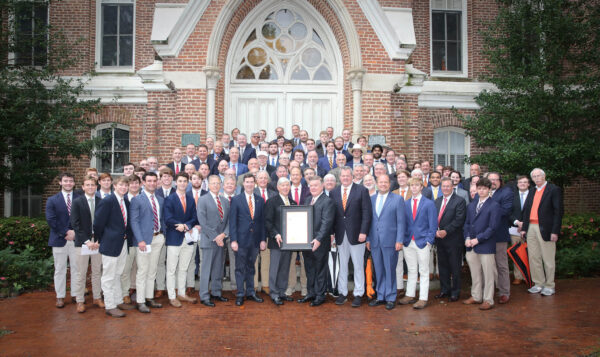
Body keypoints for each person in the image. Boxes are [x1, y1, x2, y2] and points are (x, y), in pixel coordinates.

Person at [331, 167, 372, 307]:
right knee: (342, 265)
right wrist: (332, 233)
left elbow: (367, 213)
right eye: (343, 176)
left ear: (352, 176)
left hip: (357, 235)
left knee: (358, 265)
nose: (345, 178)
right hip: (340, 235)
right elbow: (333, 215)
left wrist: (364, 232)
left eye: (348, 176)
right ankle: (342, 293)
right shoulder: (334, 192)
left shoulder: (362, 190)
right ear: (340, 177)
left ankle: (358, 293)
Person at [95, 176, 135, 317]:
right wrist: (101, 239)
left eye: (126, 185)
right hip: (110, 243)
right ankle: (110, 305)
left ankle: (118, 300)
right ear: (115, 185)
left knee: (118, 272)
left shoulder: (126, 202)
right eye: (121, 185)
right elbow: (98, 223)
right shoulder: (108, 201)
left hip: (123, 243)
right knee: (108, 276)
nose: (124, 188)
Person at [521, 168, 563, 296]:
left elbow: (558, 211)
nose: (537, 178)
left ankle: (549, 285)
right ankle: (538, 283)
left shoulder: (553, 189)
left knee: (548, 258)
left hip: (546, 228)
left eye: (539, 175)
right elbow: (527, 210)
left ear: (544, 176)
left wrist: (555, 231)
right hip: (531, 228)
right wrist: (524, 228)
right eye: (534, 176)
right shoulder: (532, 191)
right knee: (534, 257)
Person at [366, 174, 405, 310]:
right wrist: (369, 239)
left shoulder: (398, 199)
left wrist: (399, 240)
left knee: (389, 269)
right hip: (375, 240)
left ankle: (390, 296)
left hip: (391, 240)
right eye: (380, 182)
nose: (383, 184)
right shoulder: (371, 199)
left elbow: (401, 222)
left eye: (385, 182)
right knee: (379, 269)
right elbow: (369, 221)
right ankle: (380, 295)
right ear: (377, 183)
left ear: (389, 184)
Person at [398, 177, 437, 309]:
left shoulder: (428, 204)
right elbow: (403, 223)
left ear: (421, 187)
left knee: (424, 270)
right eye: (412, 185)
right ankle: (410, 294)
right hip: (409, 241)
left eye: (416, 185)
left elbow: (433, 224)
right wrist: (403, 239)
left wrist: (429, 240)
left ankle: (423, 298)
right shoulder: (406, 203)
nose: (414, 187)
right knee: (412, 269)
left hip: (422, 241)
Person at [130, 172, 166, 313]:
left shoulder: (160, 199)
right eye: (149, 181)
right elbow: (134, 221)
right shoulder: (137, 199)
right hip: (144, 240)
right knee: (143, 271)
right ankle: (140, 301)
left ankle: (149, 297)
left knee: (152, 270)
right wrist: (140, 240)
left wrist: (163, 235)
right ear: (143, 183)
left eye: (154, 181)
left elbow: (161, 219)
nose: (152, 183)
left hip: (158, 238)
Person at [229, 174, 267, 306]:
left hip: (255, 241)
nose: (249, 184)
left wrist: (263, 239)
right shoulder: (236, 200)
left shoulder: (260, 200)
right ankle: (240, 294)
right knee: (240, 268)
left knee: (251, 267)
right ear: (243, 184)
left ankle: (251, 292)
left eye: (252, 182)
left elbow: (262, 222)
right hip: (240, 241)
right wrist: (233, 240)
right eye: (247, 182)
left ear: (254, 184)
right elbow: (232, 221)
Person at [463, 177, 500, 310]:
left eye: (484, 189)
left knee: (488, 274)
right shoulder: (472, 204)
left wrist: (478, 239)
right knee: (475, 272)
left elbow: (492, 227)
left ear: (489, 190)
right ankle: (476, 296)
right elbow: (467, 223)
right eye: (479, 188)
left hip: (485, 244)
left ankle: (488, 299)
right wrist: (467, 237)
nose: (481, 191)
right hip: (471, 245)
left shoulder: (494, 205)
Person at [163, 172, 199, 308]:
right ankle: (172, 296)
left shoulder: (190, 199)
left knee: (183, 268)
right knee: (171, 269)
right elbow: (168, 218)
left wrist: (187, 225)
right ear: (175, 182)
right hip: (174, 238)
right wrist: (180, 225)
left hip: (188, 238)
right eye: (180, 181)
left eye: (185, 181)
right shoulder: (170, 199)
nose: (183, 183)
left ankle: (182, 293)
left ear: (187, 183)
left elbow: (194, 217)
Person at [70, 175, 103, 313]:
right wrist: (87, 241)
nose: (90, 187)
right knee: (81, 272)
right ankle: (80, 300)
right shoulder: (77, 202)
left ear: (96, 187)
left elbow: (104, 223)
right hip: (83, 243)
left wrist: (98, 240)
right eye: (88, 185)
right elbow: (75, 224)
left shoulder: (101, 201)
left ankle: (97, 297)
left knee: (97, 271)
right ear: (83, 187)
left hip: (97, 243)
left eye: (93, 185)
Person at [300, 177, 335, 306]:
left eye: (315, 185)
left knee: (320, 269)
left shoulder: (327, 201)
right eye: (311, 186)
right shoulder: (308, 200)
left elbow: (327, 223)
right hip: (306, 242)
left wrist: (319, 239)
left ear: (322, 187)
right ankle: (311, 293)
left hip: (319, 242)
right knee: (309, 269)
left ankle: (320, 296)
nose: (313, 188)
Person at [46, 172, 80, 308]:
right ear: (60, 182)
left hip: (77, 239)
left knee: (76, 268)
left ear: (74, 183)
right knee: (60, 269)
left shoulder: (80, 198)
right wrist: (66, 232)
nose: (68, 183)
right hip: (59, 239)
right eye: (65, 181)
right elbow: (51, 220)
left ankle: (75, 294)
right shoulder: (52, 200)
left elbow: (84, 218)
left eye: (70, 181)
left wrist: (76, 232)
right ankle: (60, 296)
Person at [196, 175, 230, 307]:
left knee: (218, 268)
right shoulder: (203, 200)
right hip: (209, 240)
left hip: (221, 240)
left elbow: (228, 221)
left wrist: (224, 234)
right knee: (206, 269)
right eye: (213, 183)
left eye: (218, 183)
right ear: (208, 185)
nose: (216, 185)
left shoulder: (225, 200)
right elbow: (202, 222)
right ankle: (204, 295)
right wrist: (216, 237)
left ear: (221, 184)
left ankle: (216, 292)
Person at [434, 177, 466, 302]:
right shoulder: (437, 201)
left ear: (452, 187)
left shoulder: (459, 201)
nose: (446, 188)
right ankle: (444, 290)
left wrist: (446, 231)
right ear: (441, 188)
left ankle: (455, 292)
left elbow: (459, 220)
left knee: (455, 266)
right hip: (439, 240)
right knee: (442, 266)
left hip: (453, 239)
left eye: (448, 186)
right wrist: (435, 231)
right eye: (444, 186)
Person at [264, 177, 296, 305]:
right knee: (275, 267)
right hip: (276, 241)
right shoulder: (272, 202)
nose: (285, 187)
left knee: (284, 267)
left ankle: (282, 292)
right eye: (282, 185)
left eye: (287, 185)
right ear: (278, 187)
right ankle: (274, 293)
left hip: (289, 242)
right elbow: (268, 221)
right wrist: (275, 234)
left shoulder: (293, 203)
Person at [487, 172, 514, 304]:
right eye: (490, 179)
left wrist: (487, 210)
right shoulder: (483, 192)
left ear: (500, 181)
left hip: (499, 234)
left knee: (501, 265)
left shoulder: (506, 192)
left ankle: (504, 292)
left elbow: (506, 211)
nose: (493, 182)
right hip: (484, 236)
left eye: (495, 179)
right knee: (487, 266)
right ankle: (488, 291)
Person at [254, 171, 276, 294]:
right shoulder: (252, 192)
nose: (263, 180)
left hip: (268, 231)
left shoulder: (273, 194)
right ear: (256, 180)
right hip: (254, 231)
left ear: (268, 180)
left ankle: (266, 285)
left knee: (266, 258)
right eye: (260, 178)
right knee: (254, 259)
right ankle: (254, 284)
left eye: (265, 178)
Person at [121, 175, 141, 304]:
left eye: (136, 183)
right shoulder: (123, 200)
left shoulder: (144, 198)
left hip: (141, 239)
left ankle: (135, 287)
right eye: (131, 183)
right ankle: (124, 292)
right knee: (126, 267)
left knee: (139, 267)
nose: (134, 185)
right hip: (127, 239)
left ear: (140, 184)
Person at [509, 175, 530, 285]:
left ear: (528, 184)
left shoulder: (533, 195)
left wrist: (525, 224)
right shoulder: (512, 196)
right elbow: (509, 212)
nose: (522, 184)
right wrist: (518, 222)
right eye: (520, 182)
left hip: (530, 229)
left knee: (530, 254)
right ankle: (518, 276)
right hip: (515, 229)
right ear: (517, 184)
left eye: (525, 182)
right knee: (517, 253)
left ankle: (530, 277)